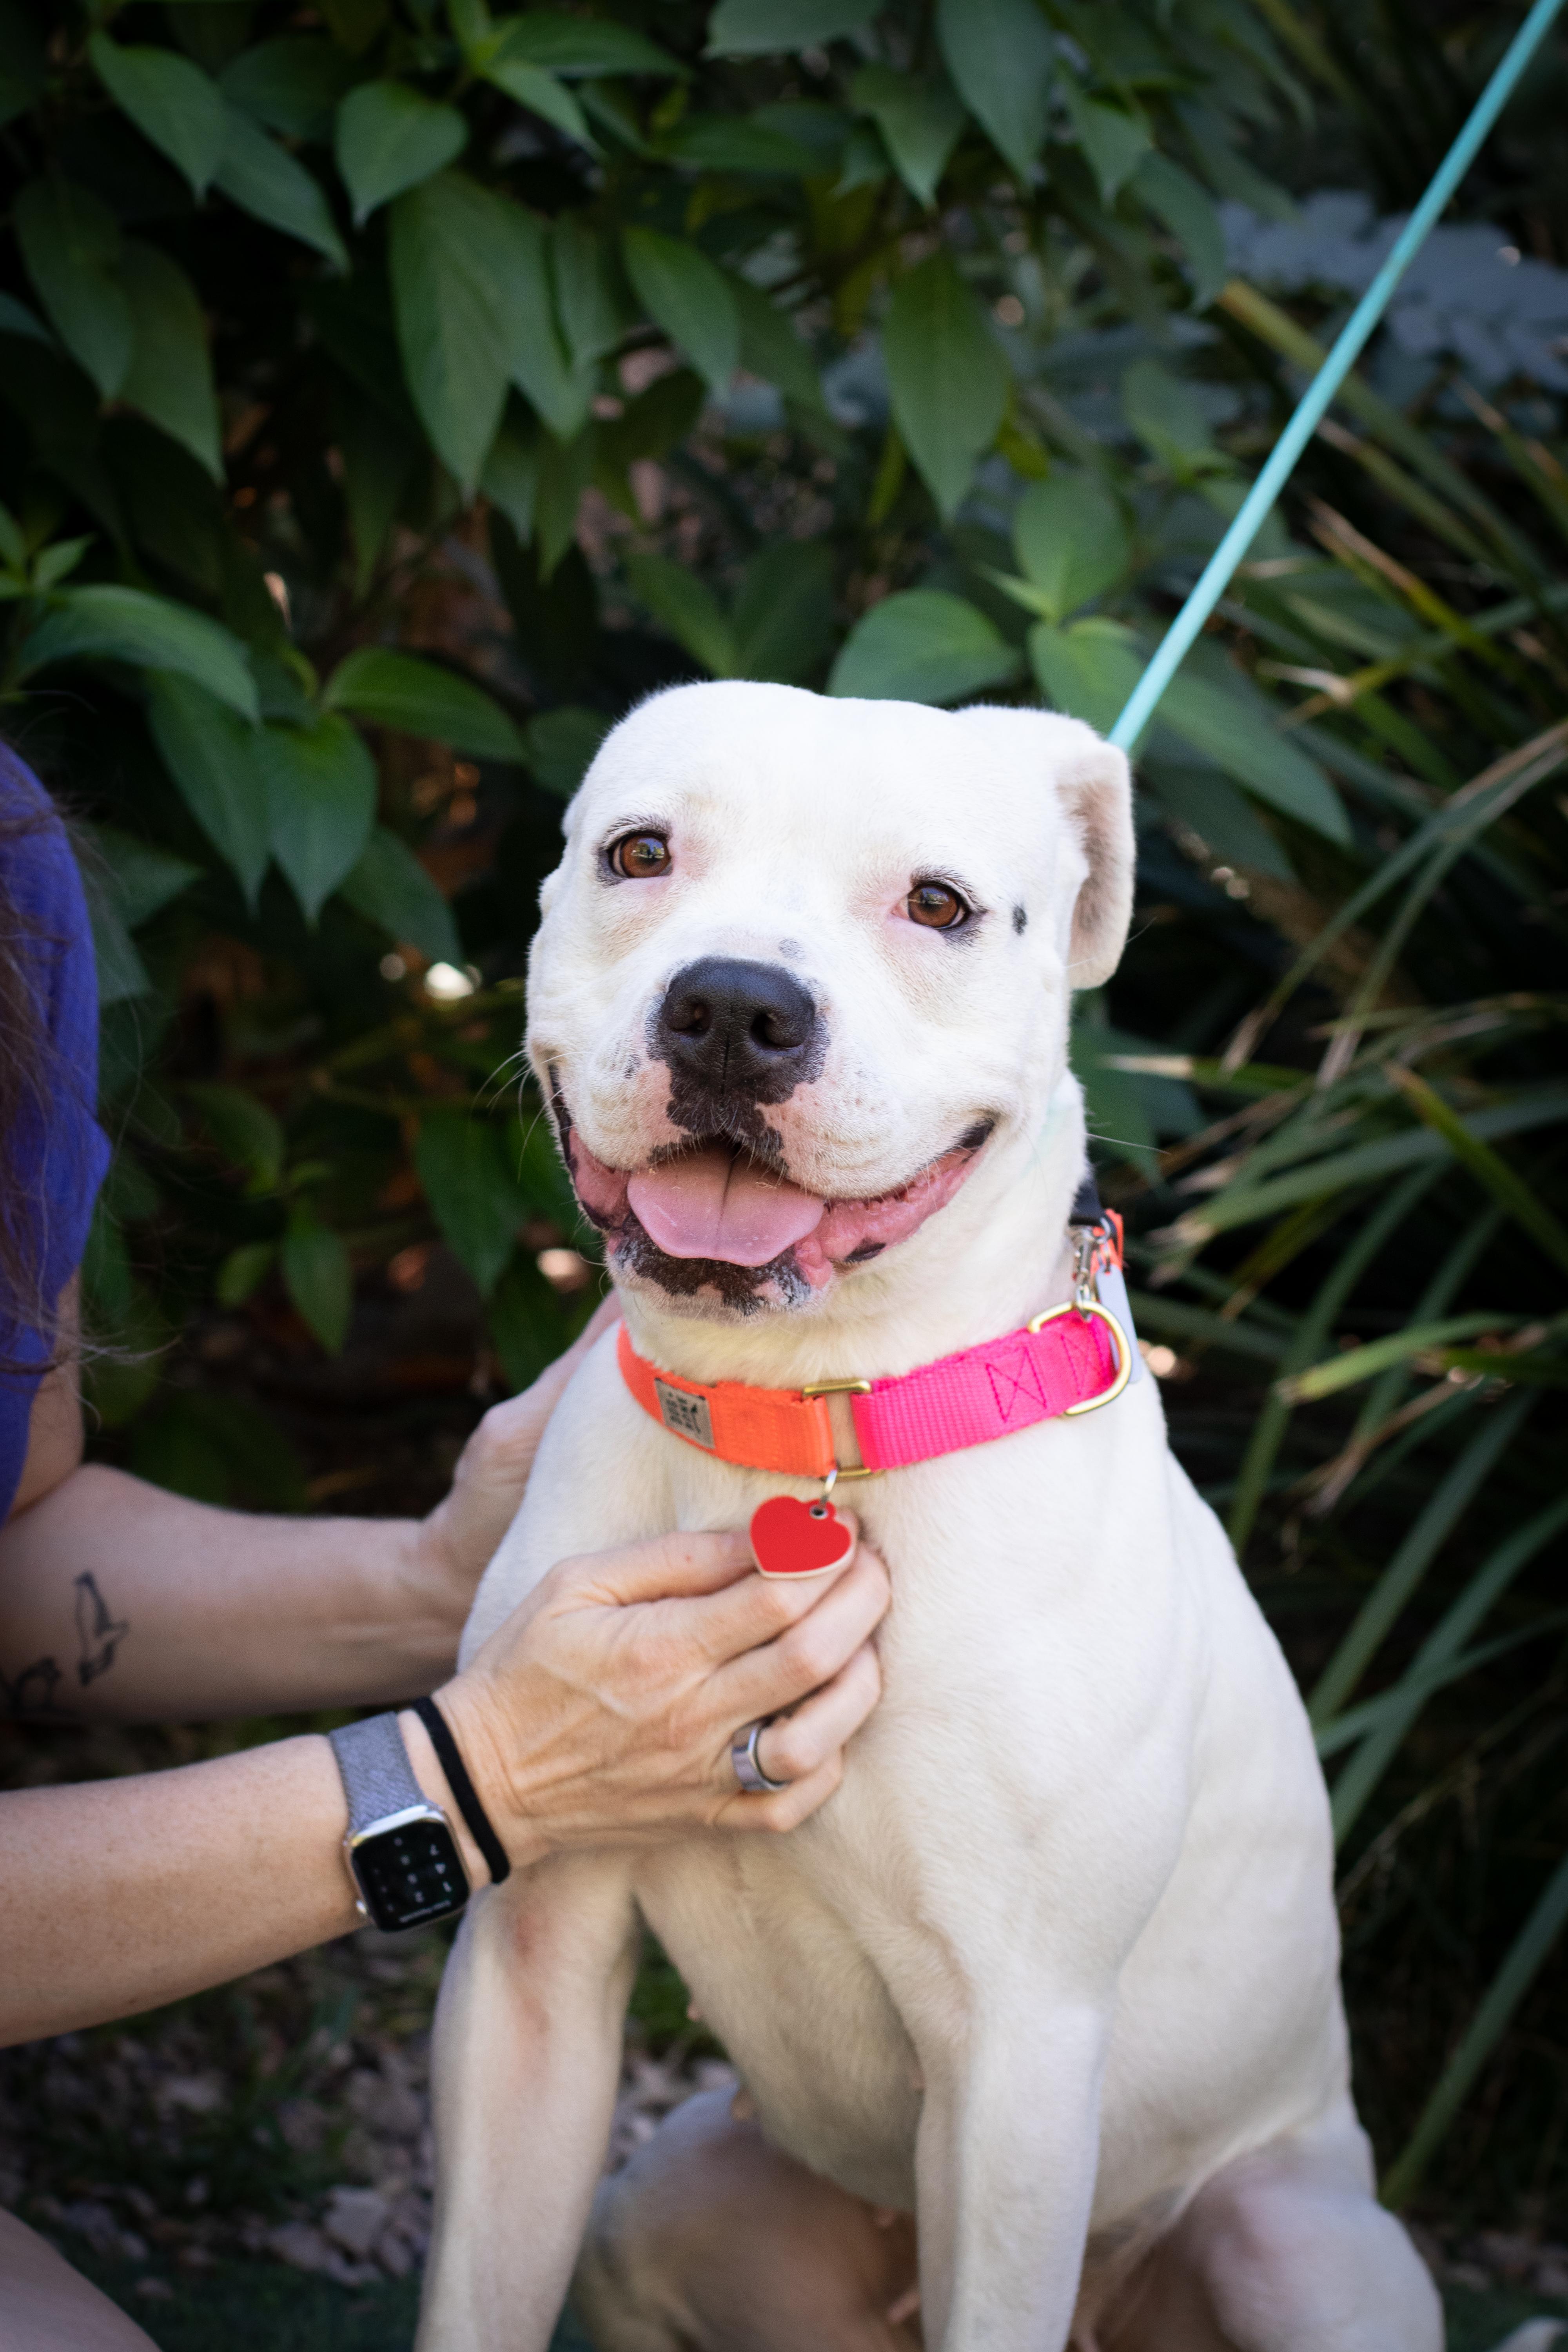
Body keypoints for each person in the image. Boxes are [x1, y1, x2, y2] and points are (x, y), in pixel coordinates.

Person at [0, 744, 891, 2350]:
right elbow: (488, 1796)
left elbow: (20, 1529)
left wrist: (439, 1577)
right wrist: (474, 1781)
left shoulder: (9, 870)